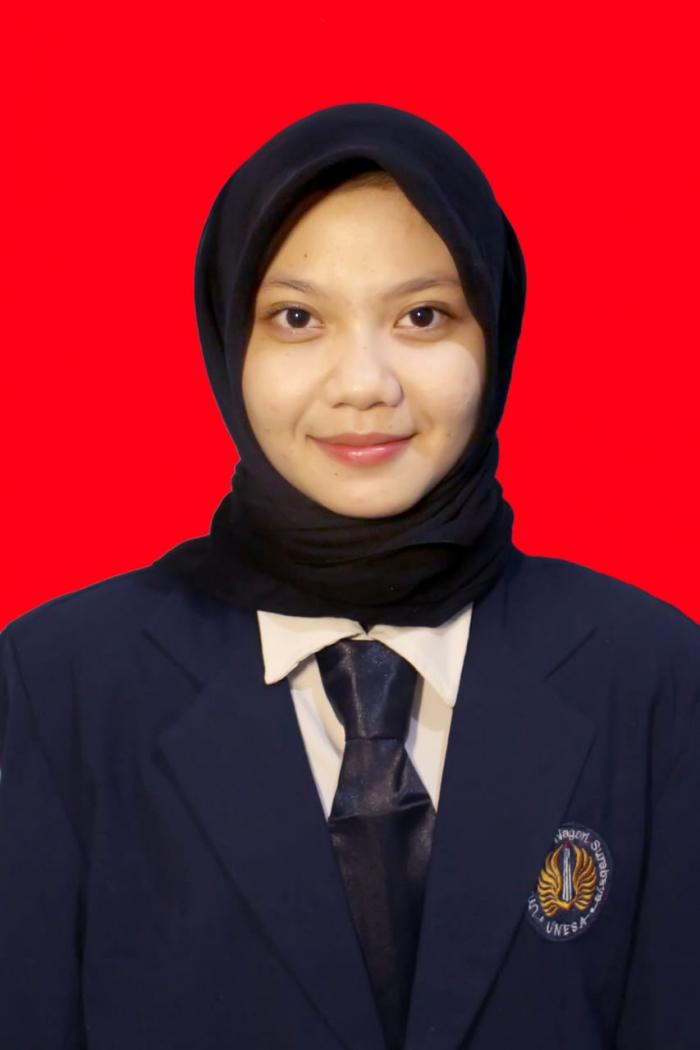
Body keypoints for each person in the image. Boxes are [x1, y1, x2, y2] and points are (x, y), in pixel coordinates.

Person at [0, 102, 698, 1050]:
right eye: (297, 318)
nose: (364, 383)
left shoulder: (652, 674)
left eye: (423, 315)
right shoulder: (60, 684)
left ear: (494, 334)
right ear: (229, 339)